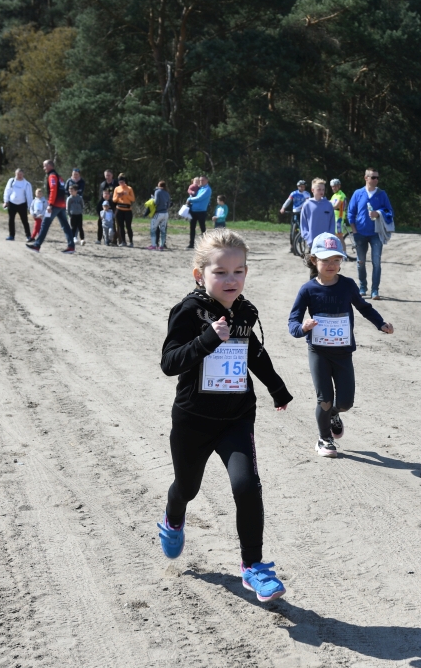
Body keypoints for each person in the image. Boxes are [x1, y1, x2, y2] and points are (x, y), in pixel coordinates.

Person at [157, 228, 293, 603]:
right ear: (199, 274)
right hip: (193, 420)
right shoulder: (188, 311)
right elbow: (169, 362)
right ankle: (172, 518)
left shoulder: (245, 312)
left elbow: (255, 354)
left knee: (247, 486)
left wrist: (277, 388)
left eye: (238, 271)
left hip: (236, 417)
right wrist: (207, 339)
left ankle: (254, 567)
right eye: (220, 272)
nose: (231, 279)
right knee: (187, 488)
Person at [288, 233, 393, 457]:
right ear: (313, 260)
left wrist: (380, 323)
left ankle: (334, 414)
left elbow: (364, 307)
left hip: (343, 352)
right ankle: (324, 439)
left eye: (336, 260)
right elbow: (293, 321)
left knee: (345, 402)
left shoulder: (347, 285)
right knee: (324, 399)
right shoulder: (308, 289)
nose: (332, 265)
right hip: (318, 352)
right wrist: (303, 328)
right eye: (326, 260)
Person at [346, 168, 394, 299]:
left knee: (376, 262)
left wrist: (378, 213)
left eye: (377, 177)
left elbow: (390, 212)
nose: (376, 180)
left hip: (376, 233)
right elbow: (350, 212)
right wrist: (354, 230)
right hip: (360, 233)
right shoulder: (358, 193)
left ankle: (375, 290)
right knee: (360, 262)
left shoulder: (382, 194)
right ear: (366, 178)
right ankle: (362, 287)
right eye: (373, 177)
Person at [28, 160, 75, 254]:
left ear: (50, 166)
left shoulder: (52, 176)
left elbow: (53, 190)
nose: (44, 168)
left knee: (45, 224)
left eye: (45, 166)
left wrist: (50, 204)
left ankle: (37, 245)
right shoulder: (59, 177)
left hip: (55, 205)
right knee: (65, 226)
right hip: (61, 205)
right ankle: (71, 247)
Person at [299, 179, 335, 256]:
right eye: (319, 189)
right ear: (312, 190)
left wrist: (330, 236)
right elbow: (303, 223)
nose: (321, 191)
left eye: (323, 189)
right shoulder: (307, 205)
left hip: (326, 242)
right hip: (311, 242)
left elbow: (332, 223)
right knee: (312, 262)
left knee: (324, 262)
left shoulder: (328, 205)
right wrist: (307, 237)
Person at [2, 168, 34, 241]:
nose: (19, 176)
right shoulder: (11, 181)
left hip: (22, 204)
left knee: (25, 221)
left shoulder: (27, 184)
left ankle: (28, 236)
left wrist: (30, 207)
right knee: (11, 220)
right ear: (15, 174)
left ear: (23, 174)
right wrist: (6, 201)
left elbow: (29, 196)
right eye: (18, 174)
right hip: (12, 203)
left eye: (21, 174)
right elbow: (7, 191)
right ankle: (11, 235)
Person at [329, 179, 353, 260]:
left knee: (340, 236)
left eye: (335, 186)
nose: (334, 188)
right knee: (334, 235)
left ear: (339, 186)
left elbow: (336, 206)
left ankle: (344, 255)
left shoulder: (341, 195)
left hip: (339, 218)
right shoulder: (334, 195)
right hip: (333, 217)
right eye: (332, 186)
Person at [186, 176, 212, 248]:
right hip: (193, 210)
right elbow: (192, 194)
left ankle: (205, 244)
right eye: (200, 180)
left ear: (207, 180)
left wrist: (189, 199)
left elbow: (199, 198)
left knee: (202, 228)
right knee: (192, 228)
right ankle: (191, 244)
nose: (201, 181)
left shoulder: (207, 189)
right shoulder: (199, 188)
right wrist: (190, 197)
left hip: (201, 211)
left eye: (203, 180)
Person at [113, 173, 136, 247]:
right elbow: (114, 200)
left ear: (125, 182)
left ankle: (131, 242)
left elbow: (133, 199)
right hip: (119, 209)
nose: (121, 183)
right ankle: (123, 241)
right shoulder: (117, 188)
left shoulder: (129, 188)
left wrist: (127, 195)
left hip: (127, 209)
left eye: (122, 182)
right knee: (121, 226)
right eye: (120, 182)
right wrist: (118, 196)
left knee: (128, 226)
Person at [149, 180, 170, 251]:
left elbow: (156, 202)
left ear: (159, 185)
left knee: (153, 229)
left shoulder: (157, 191)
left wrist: (152, 199)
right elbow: (168, 204)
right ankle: (161, 246)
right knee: (163, 230)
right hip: (165, 213)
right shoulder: (167, 193)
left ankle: (153, 245)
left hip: (158, 213)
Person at [97, 170, 117, 245]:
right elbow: (100, 195)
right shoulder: (103, 184)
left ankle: (113, 240)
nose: (107, 177)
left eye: (109, 175)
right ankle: (99, 239)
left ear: (112, 175)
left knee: (112, 224)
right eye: (106, 175)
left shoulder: (116, 184)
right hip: (103, 204)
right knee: (101, 223)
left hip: (113, 204)